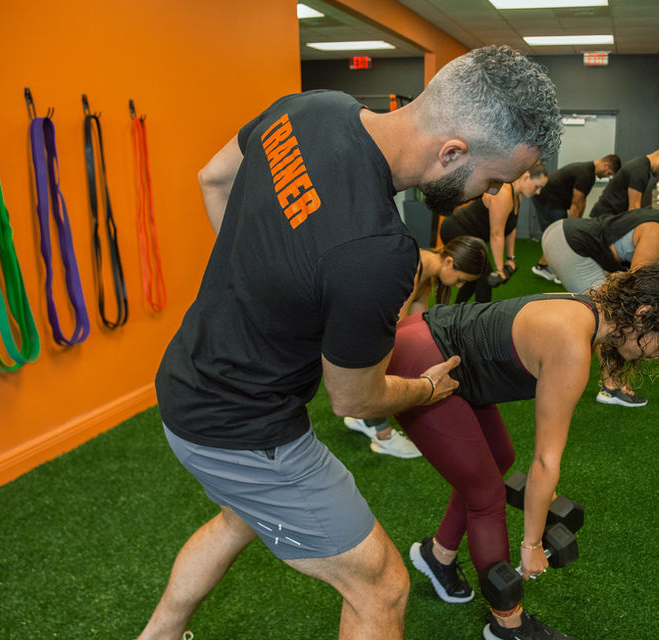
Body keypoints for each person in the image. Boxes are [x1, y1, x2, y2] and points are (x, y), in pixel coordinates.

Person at [138, 45, 561, 640]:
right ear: (453, 153)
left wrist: (261, 282)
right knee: (381, 586)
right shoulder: (378, 253)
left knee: (240, 517)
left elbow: (213, 178)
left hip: (183, 381)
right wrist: (425, 387)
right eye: (494, 180)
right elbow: (354, 400)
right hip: (242, 429)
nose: (490, 196)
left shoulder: (311, 109)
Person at [385, 263, 659, 640]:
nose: (657, 355)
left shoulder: (589, 311)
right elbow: (544, 460)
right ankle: (507, 625)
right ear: (643, 314)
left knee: (499, 460)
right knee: (486, 494)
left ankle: (436, 556)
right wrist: (532, 544)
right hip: (423, 360)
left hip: (441, 349)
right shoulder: (572, 344)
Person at [541, 184, 659, 408]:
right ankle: (611, 388)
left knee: (599, 312)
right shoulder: (657, 231)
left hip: (561, 233)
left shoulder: (657, 218)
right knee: (609, 317)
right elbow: (635, 290)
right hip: (569, 245)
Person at [343, 235, 487, 458]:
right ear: (448, 261)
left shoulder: (427, 275)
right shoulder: (410, 267)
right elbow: (397, 329)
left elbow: (416, 325)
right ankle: (382, 434)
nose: (459, 286)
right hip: (351, 318)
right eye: (460, 279)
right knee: (386, 364)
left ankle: (360, 416)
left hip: (363, 318)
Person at [438, 162, 548, 304]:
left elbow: (510, 229)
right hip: (456, 229)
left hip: (474, 236)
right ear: (526, 177)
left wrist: (511, 258)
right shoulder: (503, 194)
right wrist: (499, 269)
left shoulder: (517, 196)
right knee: (485, 278)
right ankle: (482, 317)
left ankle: (456, 312)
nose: (538, 192)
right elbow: (496, 234)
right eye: (537, 186)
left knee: (473, 277)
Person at [529, 154, 621, 283]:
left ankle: (543, 266)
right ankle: (552, 270)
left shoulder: (587, 171)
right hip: (548, 199)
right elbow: (576, 204)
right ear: (606, 165)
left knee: (558, 235)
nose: (607, 176)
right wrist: (573, 229)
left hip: (549, 199)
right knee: (560, 237)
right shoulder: (586, 174)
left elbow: (579, 203)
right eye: (609, 173)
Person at [589, 145, 659, 218]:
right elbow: (633, 208)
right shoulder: (640, 170)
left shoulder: (641, 164)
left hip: (606, 216)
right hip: (604, 219)